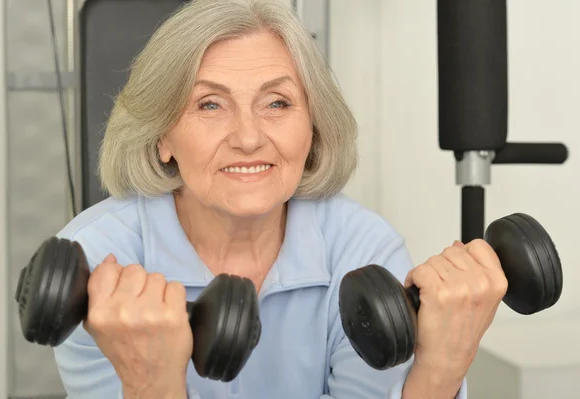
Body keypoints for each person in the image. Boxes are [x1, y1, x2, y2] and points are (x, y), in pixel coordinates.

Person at [53, 0, 508, 398]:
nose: (249, 139)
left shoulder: (365, 253)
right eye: (210, 104)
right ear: (162, 137)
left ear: (313, 127)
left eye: (277, 103)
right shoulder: (94, 267)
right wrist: (150, 384)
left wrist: (442, 370)